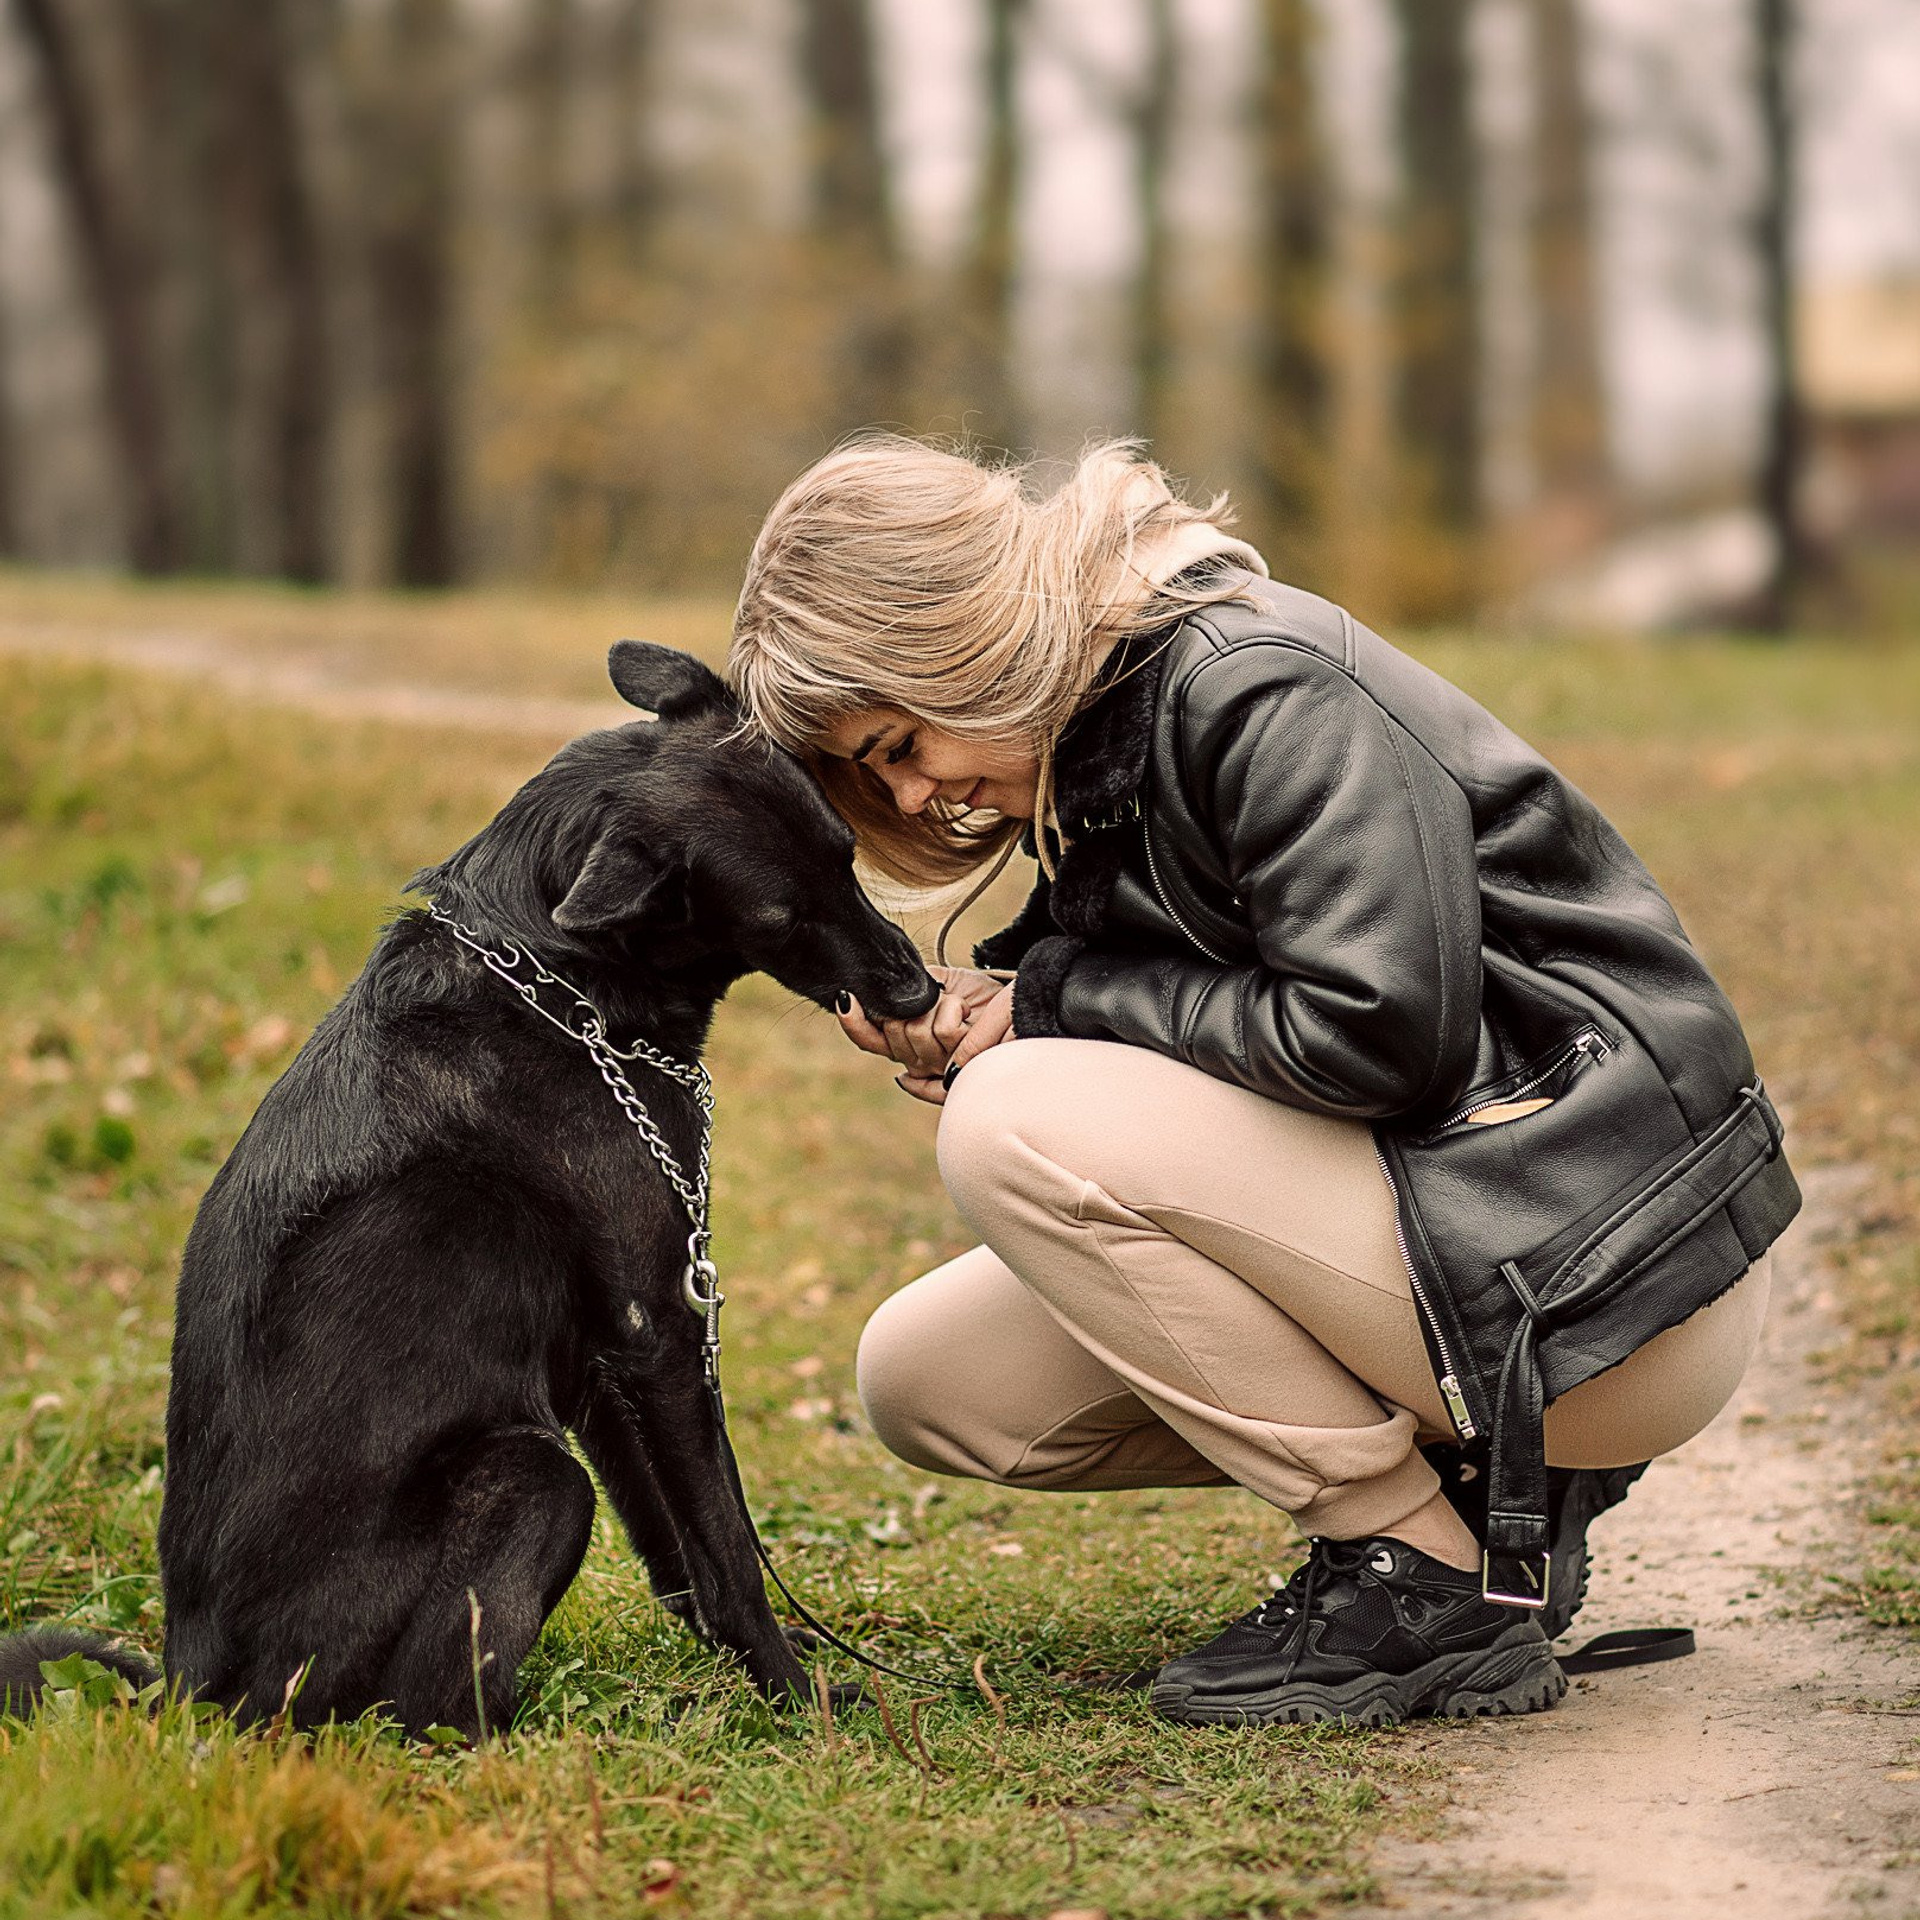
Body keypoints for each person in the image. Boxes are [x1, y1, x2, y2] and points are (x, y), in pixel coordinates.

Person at [727, 437, 1801, 1727]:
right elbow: (1185, 973)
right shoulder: (1103, 727)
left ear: (962, 631)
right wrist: (992, 1005)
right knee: (932, 1383)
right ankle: (1486, 1505)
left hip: (1604, 1288)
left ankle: (1426, 1583)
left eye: (901, 739)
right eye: (874, 771)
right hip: (1488, 1253)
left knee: (1017, 1125)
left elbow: (1377, 1035)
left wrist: (1049, 1014)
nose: (915, 789)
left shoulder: (1255, 685)